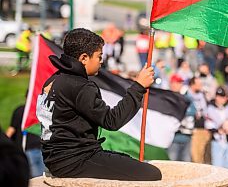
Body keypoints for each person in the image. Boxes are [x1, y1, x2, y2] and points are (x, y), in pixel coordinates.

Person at [36, 28, 161, 180]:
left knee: (126, 159)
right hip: (75, 160)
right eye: (99, 56)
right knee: (153, 174)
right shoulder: (79, 86)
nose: (102, 61)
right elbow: (112, 121)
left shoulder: (54, 80)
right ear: (83, 58)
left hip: (56, 159)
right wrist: (139, 87)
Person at [6, 96, 44, 177]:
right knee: (39, 178)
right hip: (32, 149)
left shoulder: (21, 110)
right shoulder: (40, 111)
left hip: (30, 150)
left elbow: (11, 130)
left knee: (33, 178)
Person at [205, 86, 228, 170]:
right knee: (217, 166)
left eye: (222, 96)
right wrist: (219, 129)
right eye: (218, 96)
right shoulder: (210, 108)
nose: (220, 99)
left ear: (227, 97)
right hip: (217, 140)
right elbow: (208, 125)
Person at [168, 74, 196, 162]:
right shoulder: (167, 97)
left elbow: (193, 111)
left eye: (180, 82)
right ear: (171, 84)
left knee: (186, 165)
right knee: (172, 164)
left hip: (187, 137)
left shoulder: (187, 98)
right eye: (175, 82)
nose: (177, 85)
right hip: (173, 138)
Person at [188, 77, 211, 164]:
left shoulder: (202, 95)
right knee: (194, 155)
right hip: (193, 128)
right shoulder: (187, 95)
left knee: (203, 154)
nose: (201, 86)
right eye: (199, 84)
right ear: (192, 85)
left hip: (203, 127)